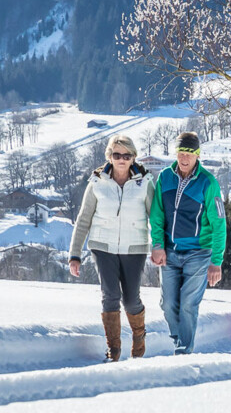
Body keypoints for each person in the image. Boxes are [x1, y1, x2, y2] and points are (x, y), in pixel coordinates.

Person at [68, 134, 155, 361]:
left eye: (127, 155)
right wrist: (74, 254)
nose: (122, 159)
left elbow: (155, 218)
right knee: (110, 295)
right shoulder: (97, 181)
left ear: (133, 157)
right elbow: (84, 218)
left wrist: (159, 247)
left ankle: (138, 337)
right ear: (110, 156)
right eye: (117, 155)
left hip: (135, 247)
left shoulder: (144, 182)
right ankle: (113, 351)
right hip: (102, 246)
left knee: (131, 299)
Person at [149, 131, 227, 355]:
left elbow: (219, 223)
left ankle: (183, 350)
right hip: (170, 251)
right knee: (168, 304)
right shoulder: (165, 177)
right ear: (176, 153)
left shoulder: (208, 183)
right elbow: (157, 214)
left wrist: (216, 261)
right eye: (181, 153)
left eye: (189, 154)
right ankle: (179, 338)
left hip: (199, 253)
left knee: (188, 305)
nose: (184, 158)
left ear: (197, 155)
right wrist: (157, 244)